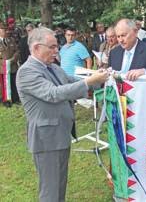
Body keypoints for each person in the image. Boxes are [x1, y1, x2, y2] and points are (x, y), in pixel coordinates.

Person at [16, 27, 109, 202]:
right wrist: (90, 81)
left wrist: (99, 78)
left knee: (59, 186)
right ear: (36, 48)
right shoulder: (27, 71)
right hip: (46, 139)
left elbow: (73, 82)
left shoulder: (53, 68)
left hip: (60, 134)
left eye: (56, 46)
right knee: (50, 191)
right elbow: (54, 94)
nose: (56, 51)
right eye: (51, 47)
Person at [0, 22, 20, 107]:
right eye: (3, 30)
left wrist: (12, 60)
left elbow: (17, 51)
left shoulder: (11, 40)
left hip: (13, 67)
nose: (6, 31)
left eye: (6, 29)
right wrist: (4, 63)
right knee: (4, 85)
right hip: (2, 68)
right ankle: (6, 100)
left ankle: (15, 99)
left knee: (14, 83)